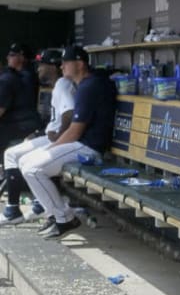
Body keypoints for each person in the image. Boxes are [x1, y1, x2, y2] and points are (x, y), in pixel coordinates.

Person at [20, 46, 117, 239]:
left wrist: (50, 148)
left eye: (66, 62)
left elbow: (74, 131)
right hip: (81, 144)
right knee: (24, 161)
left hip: (89, 149)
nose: (62, 66)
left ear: (80, 64)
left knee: (32, 168)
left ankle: (64, 218)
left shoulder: (90, 86)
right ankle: (55, 216)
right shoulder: (87, 84)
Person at [0, 50, 76, 226]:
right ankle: (33, 206)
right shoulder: (58, 84)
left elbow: (69, 114)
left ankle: (17, 210)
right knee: (14, 155)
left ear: (53, 67)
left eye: (42, 65)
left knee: (17, 157)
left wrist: (59, 138)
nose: (38, 69)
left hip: (59, 140)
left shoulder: (63, 84)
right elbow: (57, 120)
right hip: (52, 137)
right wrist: (40, 133)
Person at [0, 43, 42, 160]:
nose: (8, 58)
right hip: (32, 123)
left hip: (20, 126)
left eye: (12, 55)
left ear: (22, 57)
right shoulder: (27, 75)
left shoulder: (9, 79)